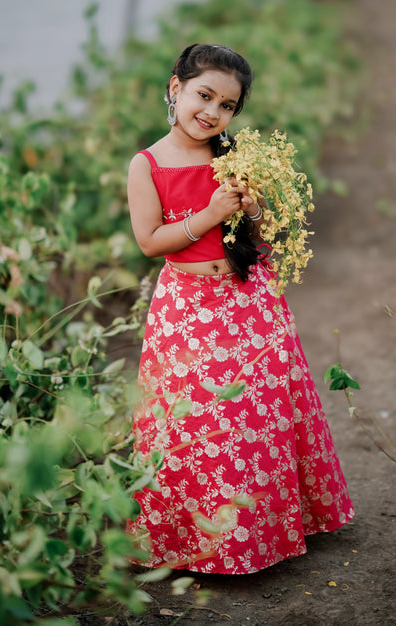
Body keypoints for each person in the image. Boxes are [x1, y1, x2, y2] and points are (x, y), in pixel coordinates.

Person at [126, 43, 354, 575]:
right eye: (204, 96)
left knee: (256, 416)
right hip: (186, 307)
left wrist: (252, 209)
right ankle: (195, 543)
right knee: (198, 419)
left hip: (247, 299)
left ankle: (261, 535)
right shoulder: (147, 164)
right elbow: (149, 242)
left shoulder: (231, 155)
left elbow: (249, 232)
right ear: (175, 87)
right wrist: (209, 213)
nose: (212, 113)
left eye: (227, 106)